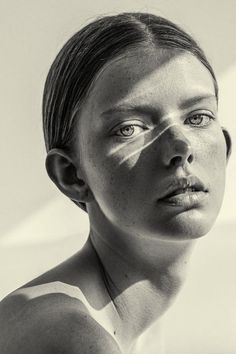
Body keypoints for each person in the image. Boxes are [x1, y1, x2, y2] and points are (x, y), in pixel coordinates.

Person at [0, 12, 232, 354]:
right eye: (130, 128)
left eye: (198, 117)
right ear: (71, 175)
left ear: (225, 147)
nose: (181, 148)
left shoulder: (134, 332)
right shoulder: (71, 335)